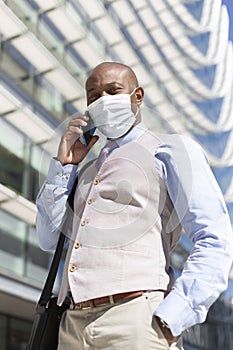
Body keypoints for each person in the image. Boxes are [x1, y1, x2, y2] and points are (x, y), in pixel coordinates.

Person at [36, 62, 233, 350]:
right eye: (93, 96)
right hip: (72, 325)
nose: (103, 101)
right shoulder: (85, 171)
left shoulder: (169, 150)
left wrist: (172, 316)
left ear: (137, 96)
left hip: (135, 318)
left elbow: (215, 238)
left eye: (113, 91)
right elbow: (46, 237)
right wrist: (65, 167)